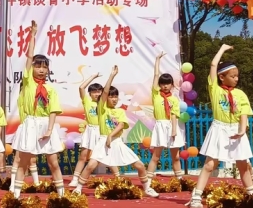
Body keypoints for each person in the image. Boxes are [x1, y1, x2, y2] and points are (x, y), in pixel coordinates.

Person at [187, 44, 253, 208]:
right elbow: (213, 65)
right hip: (219, 129)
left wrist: (242, 130)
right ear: (221, 77)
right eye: (233, 76)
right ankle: (196, 196)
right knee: (210, 165)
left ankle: (252, 195)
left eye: (237, 76)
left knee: (243, 165)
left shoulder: (240, 94)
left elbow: (243, 113)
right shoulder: (215, 90)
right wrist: (222, 50)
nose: (236, 79)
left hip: (236, 130)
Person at [73, 67, 159, 196]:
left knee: (140, 166)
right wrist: (112, 76)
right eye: (111, 96)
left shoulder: (120, 111)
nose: (114, 99)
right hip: (103, 141)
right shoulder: (102, 109)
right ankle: (78, 188)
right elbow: (104, 92)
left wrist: (111, 135)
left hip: (117, 142)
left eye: (116, 96)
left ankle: (147, 188)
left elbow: (121, 125)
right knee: (90, 166)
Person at [10, 21, 66, 198]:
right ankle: (15, 197)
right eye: (38, 66)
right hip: (30, 123)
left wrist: (49, 129)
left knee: (53, 162)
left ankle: (62, 197)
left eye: (44, 67)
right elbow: (29, 56)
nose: (41, 70)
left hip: (45, 125)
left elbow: (53, 111)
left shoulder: (50, 89)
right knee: (23, 162)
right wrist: (32, 35)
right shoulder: (27, 82)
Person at [147, 52, 185, 182]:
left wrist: (174, 130)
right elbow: (156, 75)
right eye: (163, 83)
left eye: (168, 83)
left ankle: (179, 180)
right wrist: (157, 59)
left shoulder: (174, 99)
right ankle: (148, 181)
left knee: (176, 157)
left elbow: (174, 115)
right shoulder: (156, 94)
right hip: (160, 126)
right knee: (156, 157)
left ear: (172, 85)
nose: (165, 86)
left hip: (171, 126)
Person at [68, 74, 101, 192]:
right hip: (90, 130)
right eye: (94, 92)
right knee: (83, 156)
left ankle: (117, 178)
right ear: (90, 93)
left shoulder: (104, 103)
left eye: (99, 91)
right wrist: (92, 77)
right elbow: (81, 87)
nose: (97, 94)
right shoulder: (87, 101)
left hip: (101, 131)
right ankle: (75, 179)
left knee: (106, 156)